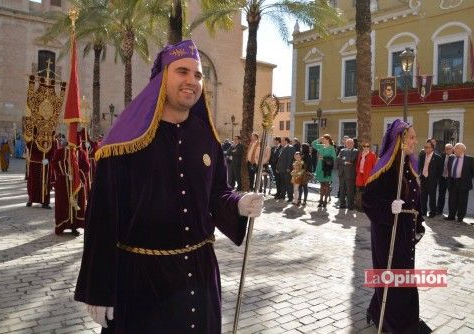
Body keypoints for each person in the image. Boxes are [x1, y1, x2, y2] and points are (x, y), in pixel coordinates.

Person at [74, 40, 264, 334]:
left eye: (198, 75)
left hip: (200, 278)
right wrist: (99, 289)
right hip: (141, 283)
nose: (192, 81)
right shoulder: (124, 141)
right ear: (162, 78)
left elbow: (216, 194)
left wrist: (238, 203)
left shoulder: (207, 138)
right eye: (182, 72)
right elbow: (102, 218)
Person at [362, 119, 430, 333]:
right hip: (387, 232)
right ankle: (393, 321)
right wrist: (389, 208)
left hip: (406, 232)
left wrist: (419, 224)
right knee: (391, 274)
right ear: (400, 140)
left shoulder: (410, 166)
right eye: (411, 137)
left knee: (404, 275)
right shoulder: (385, 168)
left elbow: (416, 200)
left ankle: (398, 316)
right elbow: (368, 201)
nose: (415, 141)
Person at [51, 138, 89, 236]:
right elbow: (54, 163)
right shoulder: (60, 151)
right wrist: (67, 170)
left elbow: (86, 167)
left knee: (76, 205)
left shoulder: (81, 152)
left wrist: (77, 173)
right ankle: (62, 226)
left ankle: (74, 227)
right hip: (63, 183)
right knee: (63, 204)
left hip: (77, 183)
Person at [445, 143, 474, 223]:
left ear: (462, 150)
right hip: (452, 181)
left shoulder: (469, 159)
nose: (454, 149)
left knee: (462, 200)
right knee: (452, 200)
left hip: (463, 182)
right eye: (454, 148)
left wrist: (465, 179)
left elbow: (473, 172)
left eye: (456, 148)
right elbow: (449, 169)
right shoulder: (451, 158)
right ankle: (451, 216)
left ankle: (460, 217)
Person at [418, 139, 441, 218]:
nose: (425, 149)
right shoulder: (422, 156)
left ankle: (432, 212)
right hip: (423, 178)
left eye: (427, 147)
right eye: (425, 147)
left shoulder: (437, 158)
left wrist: (435, 179)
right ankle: (423, 211)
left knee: (432, 197)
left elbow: (439, 170)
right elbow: (420, 167)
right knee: (423, 196)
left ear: (432, 148)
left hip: (432, 180)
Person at [312, 134, 336, 207]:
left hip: (327, 168)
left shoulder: (332, 147)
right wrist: (319, 139)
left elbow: (334, 158)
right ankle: (321, 200)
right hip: (320, 167)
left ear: (328, 140)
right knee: (321, 185)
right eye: (323, 139)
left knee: (326, 185)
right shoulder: (321, 146)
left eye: (324, 139)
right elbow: (313, 144)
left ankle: (325, 200)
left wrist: (324, 158)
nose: (323, 140)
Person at [336, 138, 358, 210]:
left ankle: (350, 205)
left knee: (350, 190)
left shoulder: (355, 151)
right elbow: (338, 159)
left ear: (353, 144)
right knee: (342, 190)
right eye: (347, 143)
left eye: (350, 143)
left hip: (350, 174)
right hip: (341, 173)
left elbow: (352, 159)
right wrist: (345, 161)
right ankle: (342, 204)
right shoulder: (342, 150)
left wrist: (343, 158)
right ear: (345, 144)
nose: (348, 144)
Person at [355, 141, 377, 209]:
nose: (366, 148)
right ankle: (360, 206)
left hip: (368, 176)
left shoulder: (372, 155)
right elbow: (357, 165)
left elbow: (375, 167)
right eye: (364, 146)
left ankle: (366, 207)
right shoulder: (360, 154)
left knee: (366, 192)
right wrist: (358, 172)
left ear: (369, 147)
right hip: (360, 175)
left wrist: (372, 177)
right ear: (362, 147)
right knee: (360, 191)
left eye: (368, 146)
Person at [276, 137, 295, 201]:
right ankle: (282, 195)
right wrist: (277, 168)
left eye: (282, 141)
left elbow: (290, 159)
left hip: (287, 169)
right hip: (281, 168)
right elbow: (279, 159)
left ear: (286, 141)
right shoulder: (282, 148)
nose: (281, 142)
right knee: (282, 183)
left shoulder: (290, 147)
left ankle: (290, 197)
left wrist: (288, 168)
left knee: (288, 183)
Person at [437, 144, 454, 216]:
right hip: (442, 178)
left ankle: (451, 213)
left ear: (452, 149)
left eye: (449, 148)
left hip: (451, 180)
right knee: (441, 195)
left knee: (452, 197)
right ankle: (439, 210)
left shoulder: (454, 157)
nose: (448, 150)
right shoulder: (442, 156)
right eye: (446, 149)